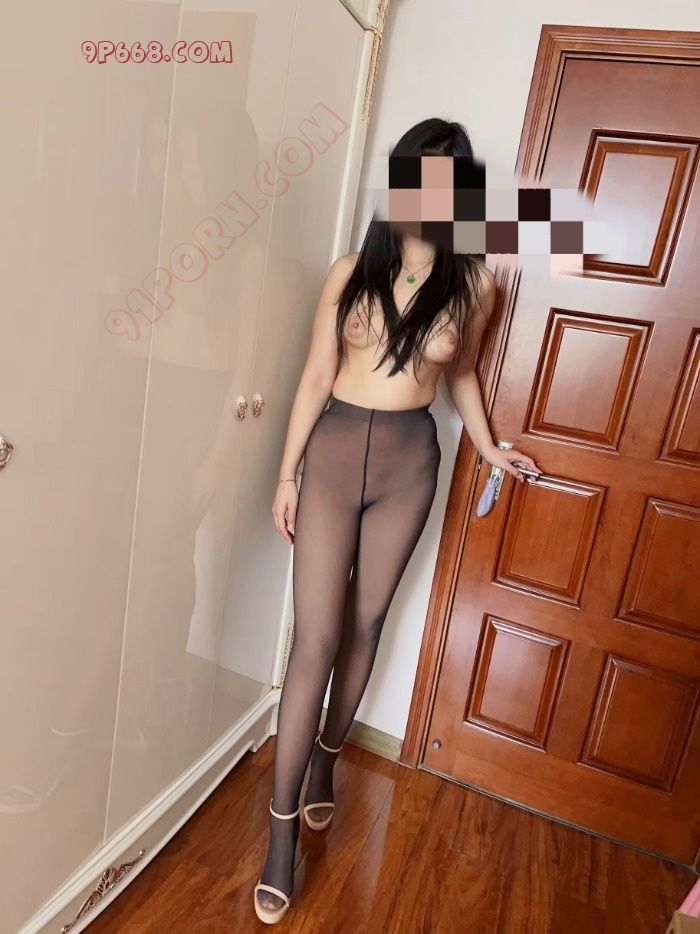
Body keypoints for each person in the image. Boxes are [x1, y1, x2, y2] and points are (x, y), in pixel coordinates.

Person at [253, 118, 540, 924]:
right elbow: (317, 373)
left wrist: (490, 446)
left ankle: (325, 765)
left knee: (365, 623)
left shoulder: (475, 283)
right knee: (314, 639)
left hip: (410, 465)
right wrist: (286, 473)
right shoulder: (352, 270)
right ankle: (280, 836)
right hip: (334, 455)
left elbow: (465, 375)